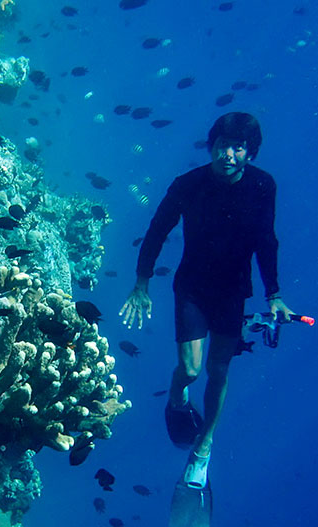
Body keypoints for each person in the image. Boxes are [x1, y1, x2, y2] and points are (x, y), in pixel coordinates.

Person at [119, 112, 294, 490]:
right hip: (193, 288)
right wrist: (141, 283)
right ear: (211, 146)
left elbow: (267, 240)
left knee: (219, 371)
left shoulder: (264, 186)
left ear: (250, 153)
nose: (227, 154)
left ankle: (204, 447)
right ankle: (177, 395)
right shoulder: (189, 184)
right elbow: (157, 230)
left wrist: (274, 294)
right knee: (192, 369)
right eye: (221, 146)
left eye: (237, 148)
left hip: (234, 291)